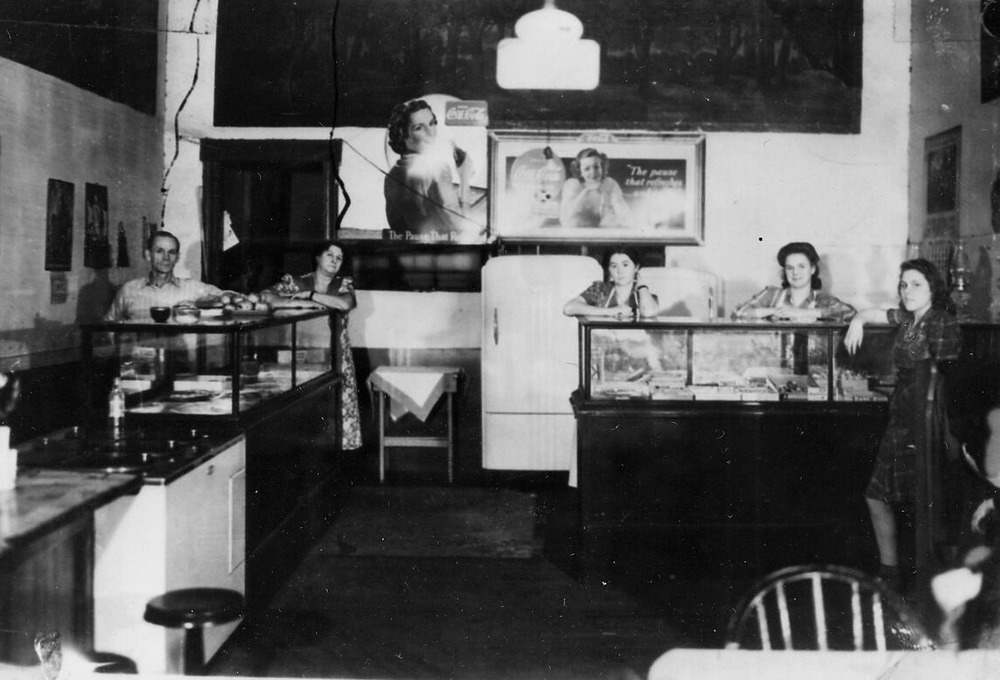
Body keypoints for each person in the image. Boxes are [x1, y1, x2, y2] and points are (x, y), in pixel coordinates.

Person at [844, 258, 961, 591]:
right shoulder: (908, 318)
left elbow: (946, 378)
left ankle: (935, 583)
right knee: (877, 495)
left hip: (927, 422)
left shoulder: (941, 322)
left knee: (929, 502)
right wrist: (857, 320)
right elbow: (872, 314)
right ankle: (890, 572)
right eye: (903, 284)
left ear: (933, 288)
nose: (907, 291)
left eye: (916, 285)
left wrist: (946, 432)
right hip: (901, 420)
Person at [263, 241, 361, 451]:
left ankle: (333, 460)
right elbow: (267, 297)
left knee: (335, 407)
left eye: (339, 258)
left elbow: (345, 304)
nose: (334, 261)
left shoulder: (343, 284)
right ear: (317, 257)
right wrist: (311, 305)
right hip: (300, 354)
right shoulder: (296, 282)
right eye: (329, 255)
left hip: (336, 355)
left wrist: (310, 296)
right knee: (303, 408)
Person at [384, 99, 473, 238]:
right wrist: (465, 177)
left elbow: (395, 226)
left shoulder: (391, 176)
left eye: (432, 124)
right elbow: (462, 228)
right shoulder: (438, 169)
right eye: (419, 128)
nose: (430, 133)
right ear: (402, 134)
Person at [105, 230, 222, 321]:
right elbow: (109, 325)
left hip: (178, 351)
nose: (166, 257)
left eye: (171, 252)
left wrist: (199, 303)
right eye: (159, 251)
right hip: (140, 351)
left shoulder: (192, 288)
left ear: (177, 257)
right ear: (148, 255)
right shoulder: (129, 290)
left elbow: (231, 299)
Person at [732, 242, 856, 321]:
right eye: (790, 268)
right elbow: (739, 312)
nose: (795, 273)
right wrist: (775, 311)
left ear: (812, 269)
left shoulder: (823, 301)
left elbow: (849, 312)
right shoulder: (772, 295)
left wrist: (801, 312)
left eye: (801, 266)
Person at [563, 245, 658, 318]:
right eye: (614, 266)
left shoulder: (644, 295)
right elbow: (568, 308)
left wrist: (642, 286)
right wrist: (611, 311)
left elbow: (648, 312)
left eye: (625, 265)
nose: (620, 271)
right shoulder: (599, 289)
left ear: (636, 267)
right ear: (608, 269)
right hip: (601, 342)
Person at [559, 148, 635, 229]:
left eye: (596, 167)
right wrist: (586, 191)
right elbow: (565, 218)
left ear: (602, 167)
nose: (593, 172)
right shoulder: (572, 184)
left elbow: (622, 210)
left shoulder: (609, 183)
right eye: (587, 169)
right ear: (580, 171)